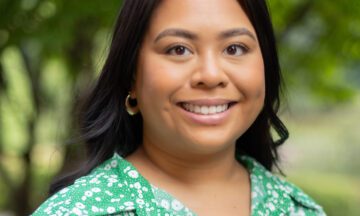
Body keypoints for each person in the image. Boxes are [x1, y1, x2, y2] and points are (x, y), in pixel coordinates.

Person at [32, 0, 326, 215]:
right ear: (131, 76)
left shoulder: (298, 210)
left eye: (235, 48)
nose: (210, 75)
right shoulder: (76, 211)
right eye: (178, 49)